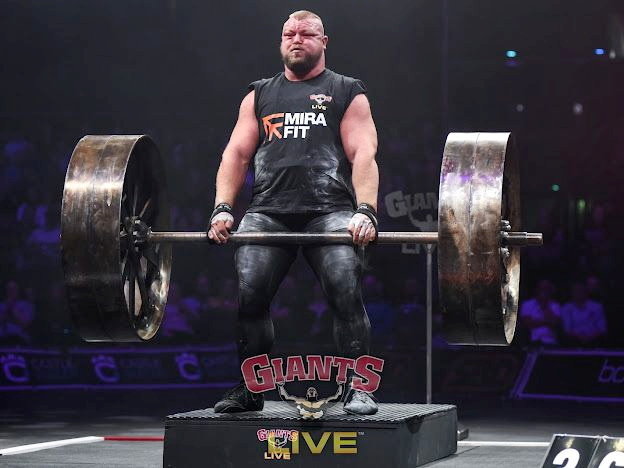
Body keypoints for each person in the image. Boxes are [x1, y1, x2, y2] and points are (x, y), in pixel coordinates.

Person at [207, 10, 379, 415]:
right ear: (281, 42)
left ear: (324, 41)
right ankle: (250, 390)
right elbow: (236, 153)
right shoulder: (260, 94)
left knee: (345, 291)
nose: (296, 39)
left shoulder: (346, 90)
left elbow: (364, 153)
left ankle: (360, 388)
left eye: (306, 33)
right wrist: (223, 207)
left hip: (331, 210)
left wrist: (367, 210)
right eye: (289, 34)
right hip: (269, 211)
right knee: (250, 297)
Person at [561, 281, 607, 347]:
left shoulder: (597, 307)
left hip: (594, 340)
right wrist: (580, 337)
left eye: (581, 290)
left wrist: (590, 337)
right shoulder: (567, 308)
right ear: (572, 293)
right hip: (573, 341)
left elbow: (602, 328)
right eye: (576, 291)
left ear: (586, 292)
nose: (578, 293)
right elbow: (567, 329)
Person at [519, 279, 561, 346]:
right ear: (536, 289)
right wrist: (547, 322)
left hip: (551, 342)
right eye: (541, 288)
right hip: (532, 341)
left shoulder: (555, 305)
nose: (543, 291)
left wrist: (545, 306)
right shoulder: (527, 304)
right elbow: (527, 323)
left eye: (546, 289)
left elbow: (556, 324)